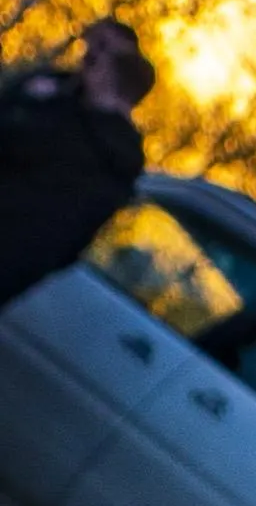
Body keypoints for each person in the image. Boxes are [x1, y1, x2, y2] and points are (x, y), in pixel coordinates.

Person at [0, 16, 155, 313]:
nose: (87, 59)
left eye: (99, 54)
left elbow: (15, 142)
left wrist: (37, 103)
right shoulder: (118, 159)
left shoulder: (91, 143)